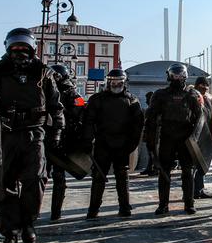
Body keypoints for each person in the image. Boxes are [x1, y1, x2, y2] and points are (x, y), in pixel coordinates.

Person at [0, 28, 64, 243]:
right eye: (15, 48)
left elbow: (56, 106)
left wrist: (57, 133)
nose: (19, 52)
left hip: (34, 133)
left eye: (24, 48)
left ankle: (28, 224)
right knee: (4, 183)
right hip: (5, 134)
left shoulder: (43, 73)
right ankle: (10, 232)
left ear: (32, 49)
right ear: (8, 48)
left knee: (36, 179)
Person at [83, 69, 144, 219]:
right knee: (98, 177)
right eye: (113, 82)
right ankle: (93, 209)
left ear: (124, 83)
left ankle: (124, 207)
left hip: (122, 145)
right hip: (102, 143)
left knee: (122, 177)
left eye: (119, 82)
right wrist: (87, 139)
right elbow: (88, 121)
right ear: (108, 82)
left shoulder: (132, 100)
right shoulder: (97, 99)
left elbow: (138, 124)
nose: (116, 85)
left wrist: (132, 143)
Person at [145, 63, 202, 215]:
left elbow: (199, 118)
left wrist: (195, 138)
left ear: (185, 76)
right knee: (164, 172)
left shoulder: (192, 95)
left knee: (187, 172)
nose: (177, 78)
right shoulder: (160, 95)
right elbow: (150, 118)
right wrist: (149, 140)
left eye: (180, 75)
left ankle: (189, 203)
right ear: (169, 76)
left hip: (185, 137)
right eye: (174, 75)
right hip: (167, 136)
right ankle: (163, 204)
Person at [46, 64, 85, 221]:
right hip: (57, 138)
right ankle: (55, 213)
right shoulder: (71, 93)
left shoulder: (71, 93)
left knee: (47, 176)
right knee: (54, 177)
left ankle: (54, 212)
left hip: (55, 137)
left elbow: (79, 113)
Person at [192, 77, 212, 200]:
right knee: (192, 166)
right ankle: (191, 190)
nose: (205, 88)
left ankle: (199, 189)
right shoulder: (192, 98)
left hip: (206, 136)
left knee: (203, 164)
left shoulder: (209, 100)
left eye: (206, 85)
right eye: (202, 85)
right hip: (193, 137)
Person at [139, 91, 157, 176]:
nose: (146, 101)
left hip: (153, 134)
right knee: (150, 152)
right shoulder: (149, 109)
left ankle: (154, 168)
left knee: (153, 153)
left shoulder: (154, 109)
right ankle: (149, 168)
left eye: (147, 99)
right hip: (149, 133)